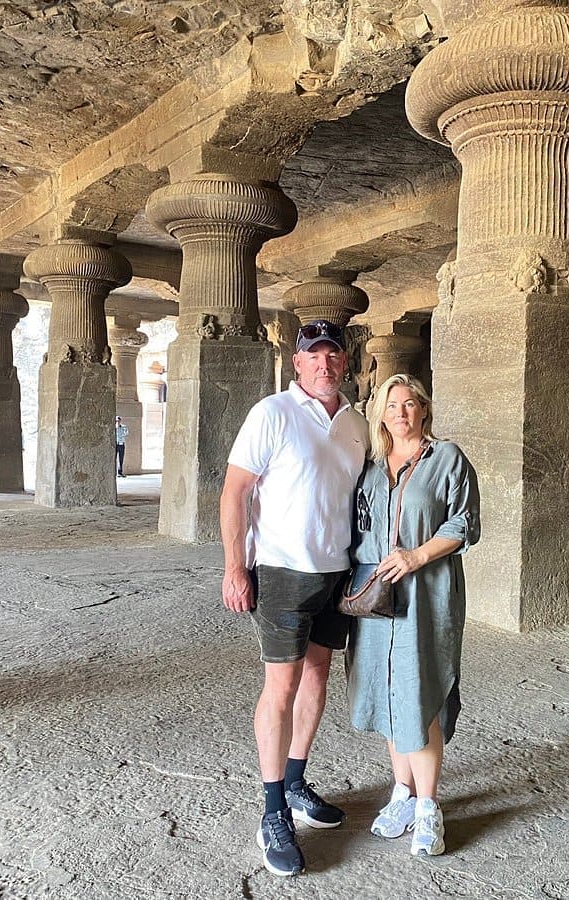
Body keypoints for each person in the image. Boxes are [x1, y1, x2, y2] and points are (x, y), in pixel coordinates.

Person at [219, 319, 369, 877]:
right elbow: (235, 491)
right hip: (282, 569)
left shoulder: (356, 422)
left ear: (345, 362)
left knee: (317, 676)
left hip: (337, 572)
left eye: (333, 354)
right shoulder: (272, 414)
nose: (324, 364)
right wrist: (236, 566)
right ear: (297, 363)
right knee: (280, 686)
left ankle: (298, 777)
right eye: (314, 355)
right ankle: (273, 807)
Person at [347, 374, 480, 858]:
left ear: (424, 409)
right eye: (391, 404)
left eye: (409, 404)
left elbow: (464, 524)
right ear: (379, 413)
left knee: (419, 691)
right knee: (385, 691)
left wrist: (416, 556)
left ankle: (428, 806)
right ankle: (400, 794)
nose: (400, 412)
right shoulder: (369, 468)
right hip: (375, 596)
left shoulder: (447, 459)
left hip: (426, 590)